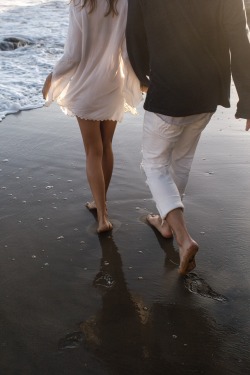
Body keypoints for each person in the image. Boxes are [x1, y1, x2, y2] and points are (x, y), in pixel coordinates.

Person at [126, 0, 250, 275]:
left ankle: (183, 237)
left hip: (168, 91)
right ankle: (166, 223)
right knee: (181, 161)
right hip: (207, 94)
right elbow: (239, 39)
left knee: (154, 165)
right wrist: (247, 100)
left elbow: (133, 36)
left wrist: (142, 75)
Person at [42, 0, 142, 233]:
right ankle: (100, 205)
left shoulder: (80, 3)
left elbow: (72, 56)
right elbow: (127, 54)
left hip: (87, 86)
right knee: (106, 146)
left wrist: (51, 78)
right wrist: (135, 84)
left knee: (92, 151)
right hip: (112, 84)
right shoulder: (125, 4)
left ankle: (102, 217)